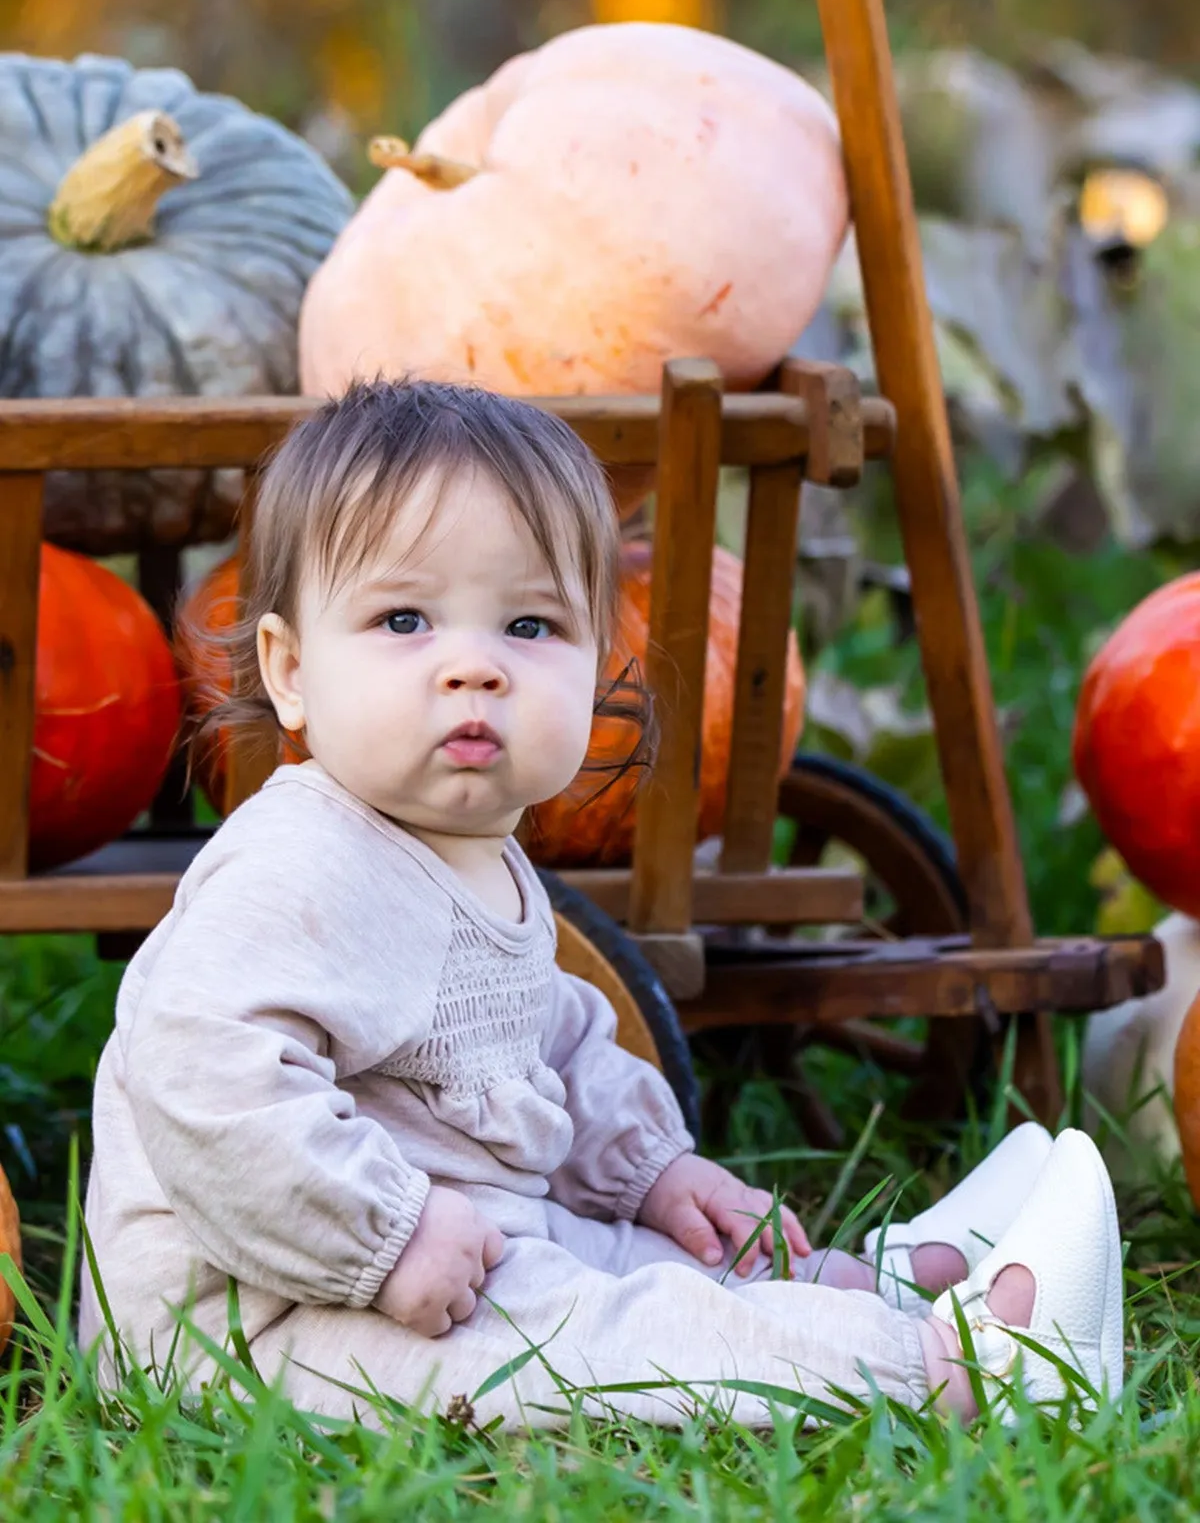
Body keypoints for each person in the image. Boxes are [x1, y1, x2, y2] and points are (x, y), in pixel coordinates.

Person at [80, 378, 1124, 1430]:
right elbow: (204, 1075)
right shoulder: (299, 861)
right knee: (601, 1336)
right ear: (291, 672)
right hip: (260, 1322)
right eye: (403, 619)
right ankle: (956, 1369)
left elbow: (557, 1037)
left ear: (597, 665)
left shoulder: (471, 850)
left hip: (460, 1239)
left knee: (634, 1264)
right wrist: (383, 1235)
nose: (473, 668)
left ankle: (866, 1287)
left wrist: (652, 1171)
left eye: (530, 625)